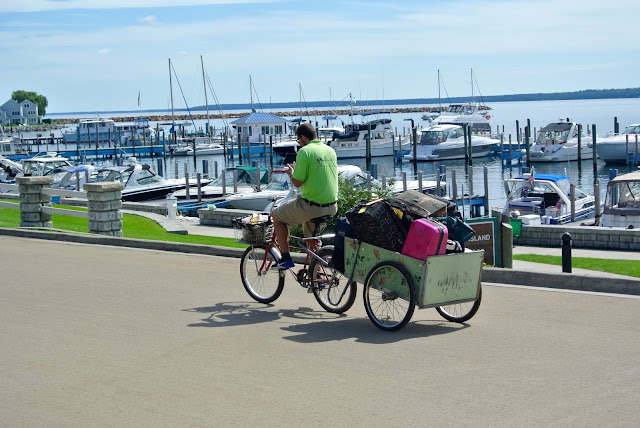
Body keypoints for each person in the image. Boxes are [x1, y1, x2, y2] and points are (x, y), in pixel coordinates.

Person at [271, 122, 338, 269]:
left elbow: (297, 183)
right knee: (310, 237)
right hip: (332, 206)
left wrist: (291, 173)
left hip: (312, 206)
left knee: (276, 216)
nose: (299, 143)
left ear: (303, 137)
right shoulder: (330, 151)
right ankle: (316, 273)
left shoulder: (304, 152)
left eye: (298, 140)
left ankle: (285, 258)